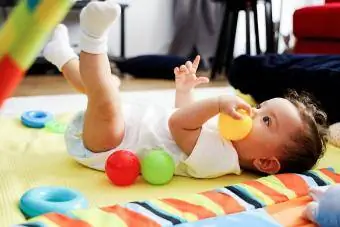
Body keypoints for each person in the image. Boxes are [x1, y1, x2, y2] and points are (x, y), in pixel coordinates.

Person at [43, 0, 328, 178]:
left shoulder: (220, 159)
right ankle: (62, 57)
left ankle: (92, 38)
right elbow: (184, 114)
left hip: (110, 145)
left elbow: (179, 124)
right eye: (260, 107)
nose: (251, 112)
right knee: (102, 90)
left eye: (266, 120)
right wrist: (185, 90)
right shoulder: (226, 135)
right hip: (126, 127)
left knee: (106, 99)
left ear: (266, 162)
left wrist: (216, 102)